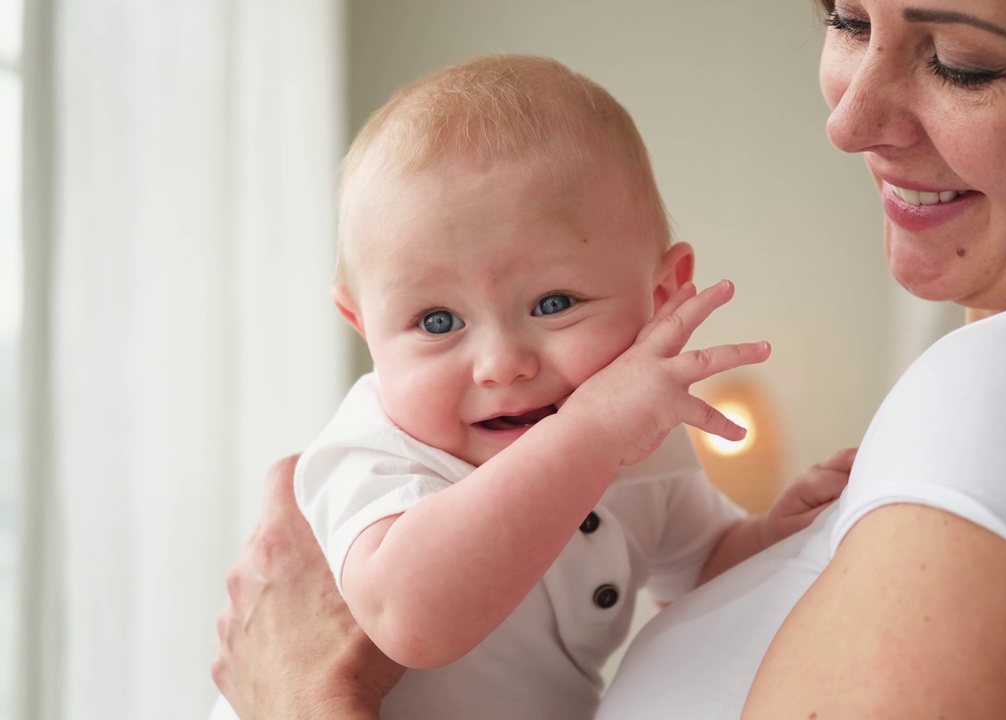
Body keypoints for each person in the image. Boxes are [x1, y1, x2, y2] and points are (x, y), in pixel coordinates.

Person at [212, 0, 1006, 717]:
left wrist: (296, 700)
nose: (847, 119)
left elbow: (689, 551)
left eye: (961, 61)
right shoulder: (379, 454)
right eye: (845, 17)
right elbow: (414, 605)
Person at [210, 54, 852, 720]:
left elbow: (700, 572)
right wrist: (590, 435)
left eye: (553, 303)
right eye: (437, 321)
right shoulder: (374, 456)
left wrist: (770, 536)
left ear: (660, 293)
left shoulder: (635, 450)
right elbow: (411, 618)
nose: (501, 364)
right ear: (364, 328)